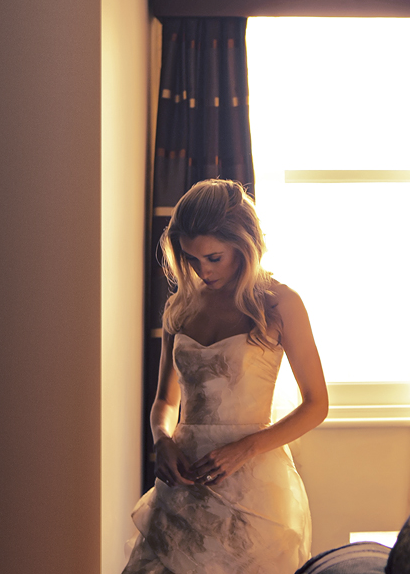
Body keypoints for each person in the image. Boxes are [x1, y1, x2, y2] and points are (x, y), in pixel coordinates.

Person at [122, 179, 328, 574]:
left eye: (214, 257)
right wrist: (162, 439)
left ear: (243, 244)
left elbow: (317, 404)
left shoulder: (280, 303)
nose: (203, 270)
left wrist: (246, 449)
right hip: (182, 488)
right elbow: (166, 401)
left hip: (253, 489)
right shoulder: (179, 306)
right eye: (192, 259)